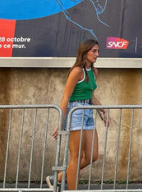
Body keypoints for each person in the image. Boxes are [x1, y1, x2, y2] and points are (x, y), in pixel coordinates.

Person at [48, 39, 110, 191]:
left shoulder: (94, 72)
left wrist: (104, 110)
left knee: (92, 156)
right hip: (75, 112)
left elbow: (92, 96)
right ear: (85, 52)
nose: (97, 54)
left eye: (98, 51)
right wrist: (61, 121)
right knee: (75, 158)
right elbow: (65, 97)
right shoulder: (76, 71)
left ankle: (57, 178)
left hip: (88, 111)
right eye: (94, 51)